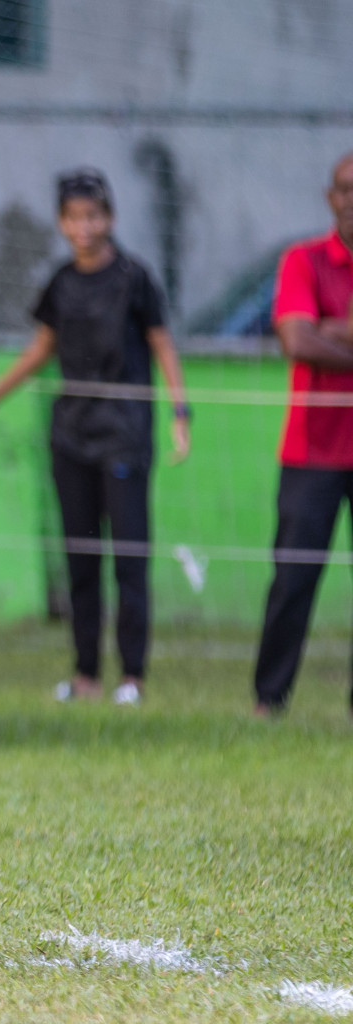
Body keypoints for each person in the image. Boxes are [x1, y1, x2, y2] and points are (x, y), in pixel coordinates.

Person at [0, 169, 190, 706]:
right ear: (62, 223)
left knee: (130, 557)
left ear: (108, 218)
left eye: (93, 216)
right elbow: (42, 349)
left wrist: (180, 412)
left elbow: (163, 345)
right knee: (80, 557)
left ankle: (132, 676)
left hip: (125, 436)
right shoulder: (61, 282)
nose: (84, 227)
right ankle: (85, 674)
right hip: (72, 437)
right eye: (74, 217)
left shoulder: (135, 278)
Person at [252, 153, 353, 717]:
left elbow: (316, 337)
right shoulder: (304, 260)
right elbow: (297, 342)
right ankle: (270, 698)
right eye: (346, 189)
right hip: (312, 450)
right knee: (293, 578)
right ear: (330, 197)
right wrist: (324, 332)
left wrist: (330, 330)